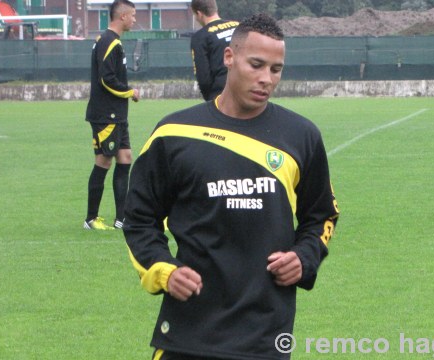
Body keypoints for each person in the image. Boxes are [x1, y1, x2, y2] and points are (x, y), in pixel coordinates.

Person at [124, 14, 339, 359]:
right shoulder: (174, 134)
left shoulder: (302, 136)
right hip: (187, 335)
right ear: (229, 58)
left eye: (276, 69)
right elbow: (138, 220)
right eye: (256, 65)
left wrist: (304, 257)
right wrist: (164, 269)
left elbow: (323, 215)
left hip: (265, 338)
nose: (266, 79)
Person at [84, 0, 140, 230]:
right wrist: (130, 92)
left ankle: (122, 219)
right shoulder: (108, 42)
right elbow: (106, 79)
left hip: (117, 114)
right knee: (104, 160)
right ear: (123, 16)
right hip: (106, 114)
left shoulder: (112, 41)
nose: (135, 20)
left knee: (125, 157)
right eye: (133, 15)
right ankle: (90, 219)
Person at [189, 0, 239, 101]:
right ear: (215, 9)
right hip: (246, 89)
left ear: (199, 14)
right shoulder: (239, 27)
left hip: (221, 95)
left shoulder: (200, 37)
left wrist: (210, 101)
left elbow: (203, 77)